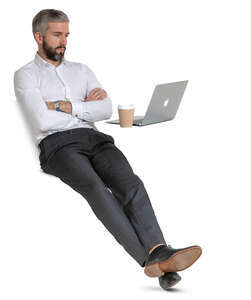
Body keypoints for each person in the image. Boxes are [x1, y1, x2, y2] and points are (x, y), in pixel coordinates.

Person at [13, 9, 202, 290]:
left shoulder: (82, 71)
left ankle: (159, 254)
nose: (63, 41)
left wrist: (62, 105)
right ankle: (151, 258)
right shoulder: (25, 76)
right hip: (57, 146)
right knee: (96, 188)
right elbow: (41, 119)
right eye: (56, 34)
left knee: (130, 183)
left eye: (66, 34)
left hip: (94, 139)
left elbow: (104, 109)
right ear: (38, 37)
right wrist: (83, 109)